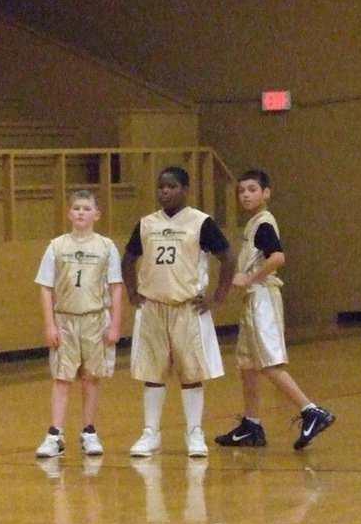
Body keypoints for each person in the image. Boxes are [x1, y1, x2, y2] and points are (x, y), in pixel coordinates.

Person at [214, 169, 334, 450]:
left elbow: (277, 257)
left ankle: (311, 411)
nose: (245, 194)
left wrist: (250, 278)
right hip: (252, 298)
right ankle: (251, 425)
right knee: (247, 362)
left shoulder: (265, 223)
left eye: (252, 189)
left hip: (262, 298)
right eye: (242, 190)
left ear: (266, 193)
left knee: (268, 362)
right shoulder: (253, 223)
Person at [121, 167, 236, 458]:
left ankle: (194, 432)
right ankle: (151, 432)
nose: (164, 191)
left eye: (171, 186)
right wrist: (132, 292)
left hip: (187, 307)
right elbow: (129, 258)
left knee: (191, 371)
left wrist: (219, 295)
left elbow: (227, 257)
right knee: (152, 371)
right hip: (153, 307)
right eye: (161, 187)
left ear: (185, 190)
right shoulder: (146, 224)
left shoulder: (201, 223)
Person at [33, 190, 124, 458]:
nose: (81, 212)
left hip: (96, 318)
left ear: (97, 214)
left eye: (86, 208)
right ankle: (55, 435)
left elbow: (116, 287)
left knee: (91, 378)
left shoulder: (106, 247)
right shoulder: (57, 246)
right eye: (76, 208)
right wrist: (50, 325)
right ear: (69, 214)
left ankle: (89, 432)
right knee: (62, 378)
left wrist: (115, 324)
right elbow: (46, 288)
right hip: (65, 319)